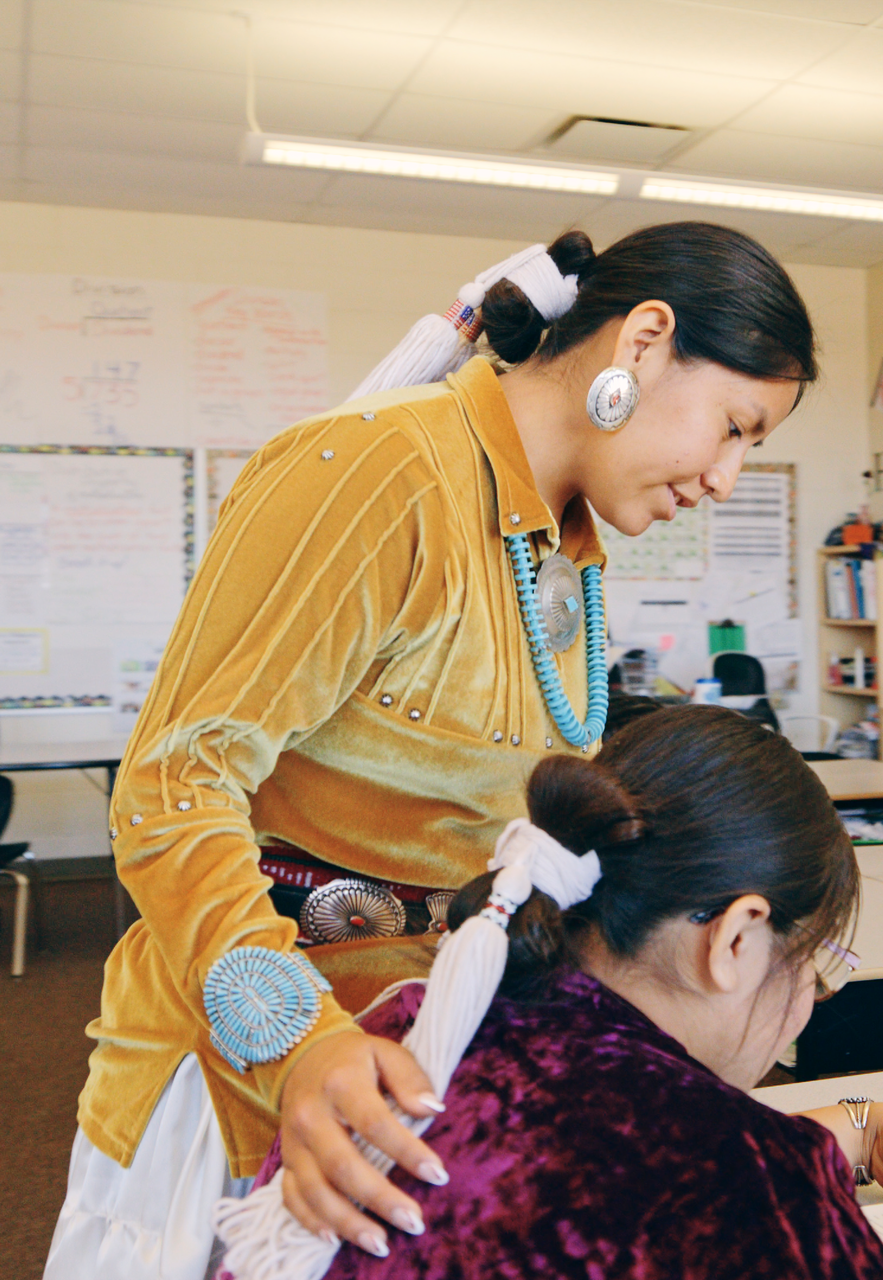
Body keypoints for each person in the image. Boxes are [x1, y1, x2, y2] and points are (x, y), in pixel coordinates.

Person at [48, 223, 820, 1279]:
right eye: (735, 425)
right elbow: (173, 787)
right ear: (642, 340)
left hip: (411, 1056)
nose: (727, 476)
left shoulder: (566, 541)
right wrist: (297, 1045)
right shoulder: (380, 472)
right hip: (251, 1077)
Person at [216, 704, 883, 1280]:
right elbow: (665, 1167)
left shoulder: (412, 1034)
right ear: (738, 938)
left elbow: (578, 1148)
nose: (809, 1000)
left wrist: (853, 1133)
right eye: (816, 965)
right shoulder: (744, 1184)